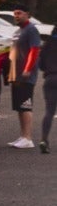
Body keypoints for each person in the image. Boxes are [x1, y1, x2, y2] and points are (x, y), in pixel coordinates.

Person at [7, 13, 43, 151]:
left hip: (25, 75)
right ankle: (22, 136)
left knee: (26, 106)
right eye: (15, 13)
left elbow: (34, 50)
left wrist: (28, 69)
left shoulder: (31, 29)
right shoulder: (18, 31)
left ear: (27, 15)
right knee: (19, 107)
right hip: (15, 74)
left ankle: (28, 138)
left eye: (19, 13)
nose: (16, 16)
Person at [38, 26, 57, 154]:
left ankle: (44, 139)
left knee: (49, 111)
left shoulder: (47, 43)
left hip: (50, 78)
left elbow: (41, 65)